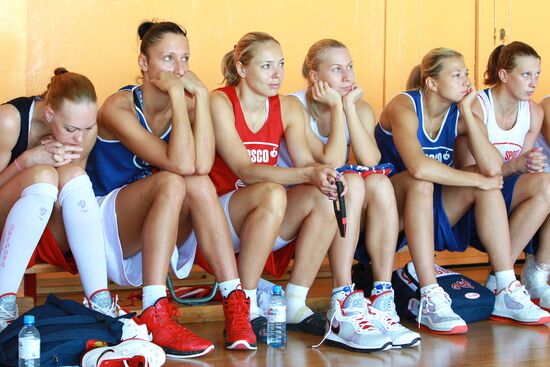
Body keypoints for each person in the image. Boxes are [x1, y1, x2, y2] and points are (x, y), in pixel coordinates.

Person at [208, 31, 393, 351]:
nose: (277, 73)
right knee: (272, 191)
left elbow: (311, 165)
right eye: (266, 66)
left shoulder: (288, 107)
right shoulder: (220, 100)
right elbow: (244, 170)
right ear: (241, 69)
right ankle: (246, 304)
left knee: (328, 191)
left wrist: (320, 175)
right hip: (221, 217)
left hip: (269, 215)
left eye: (280, 64)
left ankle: (294, 302)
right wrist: (307, 172)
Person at [85, 21, 255, 357]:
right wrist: (180, 95)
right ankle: (154, 307)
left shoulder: (189, 104)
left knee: (198, 183)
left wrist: (202, 98)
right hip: (106, 230)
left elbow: (201, 166)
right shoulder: (117, 108)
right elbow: (177, 164)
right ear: (144, 65)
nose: (179, 70)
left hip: (160, 226)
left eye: (185, 59)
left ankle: (235, 300)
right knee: (174, 178)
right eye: (168, 60)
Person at [376, 47, 550, 334]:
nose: (466, 80)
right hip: (389, 207)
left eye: (466, 73)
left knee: (485, 181)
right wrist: (477, 180)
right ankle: (430, 293)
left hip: (434, 206)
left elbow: (493, 167)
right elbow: (418, 167)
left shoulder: (459, 113)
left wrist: (469, 113)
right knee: (425, 182)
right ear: (431, 82)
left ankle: (505, 285)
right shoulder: (404, 105)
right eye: (457, 75)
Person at [277, 39, 420, 349]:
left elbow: (370, 159)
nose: (348, 76)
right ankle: (342, 296)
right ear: (314, 76)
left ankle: (382, 296)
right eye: (337, 69)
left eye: (350, 67)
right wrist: (336, 108)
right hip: (301, 207)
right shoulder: (294, 106)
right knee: (351, 181)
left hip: (337, 206)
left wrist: (349, 108)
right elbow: (331, 163)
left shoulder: (360, 107)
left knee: (379, 184)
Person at [0, 68, 114, 331]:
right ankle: (4, 303)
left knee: (73, 176)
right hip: (5, 221)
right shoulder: (9, 121)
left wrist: (66, 163)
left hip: (42, 221)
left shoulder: (84, 131)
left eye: (87, 128)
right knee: (42, 176)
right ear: (49, 115)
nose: (80, 138)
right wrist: (26, 162)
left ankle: (100, 301)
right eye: (71, 129)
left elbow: (67, 202)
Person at [455, 41, 550, 312]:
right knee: (538, 185)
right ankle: (503, 280)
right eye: (526, 74)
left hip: (505, 197)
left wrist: (531, 163)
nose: (533, 83)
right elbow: (472, 172)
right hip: (471, 202)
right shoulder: (478, 107)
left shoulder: (534, 112)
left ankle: (513, 278)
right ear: (504, 75)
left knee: (547, 184)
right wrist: (517, 165)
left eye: (537, 75)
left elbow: (525, 170)